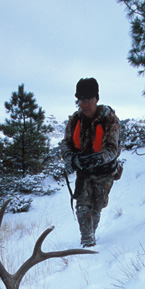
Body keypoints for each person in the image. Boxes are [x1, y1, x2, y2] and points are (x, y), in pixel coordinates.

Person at [60, 78, 122, 247]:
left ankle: (91, 235)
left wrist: (92, 160)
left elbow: (111, 149)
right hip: (84, 174)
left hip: (104, 173)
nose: (85, 104)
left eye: (88, 99)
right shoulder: (75, 120)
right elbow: (66, 143)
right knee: (82, 206)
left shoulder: (109, 120)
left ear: (96, 99)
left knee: (97, 207)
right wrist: (69, 158)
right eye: (81, 100)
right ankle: (87, 242)